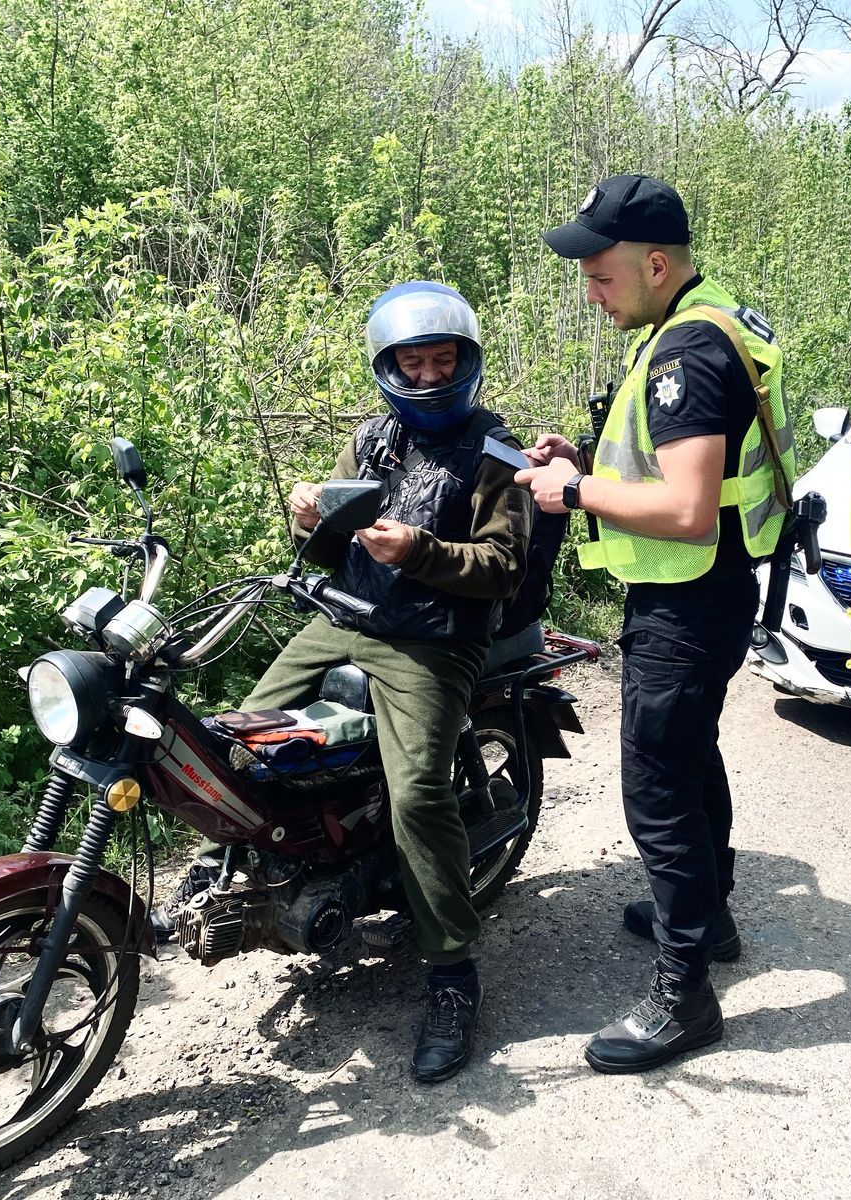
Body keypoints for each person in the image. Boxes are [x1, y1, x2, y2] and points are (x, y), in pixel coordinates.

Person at [516, 174, 795, 1073]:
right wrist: (589, 456)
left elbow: (684, 507)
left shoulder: (685, 356)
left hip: (687, 596)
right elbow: (678, 459)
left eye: (601, 277)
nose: (592, 294)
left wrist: (573, 488)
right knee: (691, 757)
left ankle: (686, 1000)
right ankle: (708, 921)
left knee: (658, 791)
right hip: (707, 595)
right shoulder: (708, 318)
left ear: (656, 263)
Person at [239, 280, 531, 1083]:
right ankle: (287, 866)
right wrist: (308, 517)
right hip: (347, 617)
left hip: (435, 643)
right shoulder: (369, 440)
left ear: (466, 362)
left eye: (445, 360)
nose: (432, 375)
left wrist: (422, 554)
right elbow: (336, 549)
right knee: (241, 740)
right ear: (389, 365)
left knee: (419, 795)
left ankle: (450, 972)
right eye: (416, 361)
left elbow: (503, 569)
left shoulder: (495, 451)